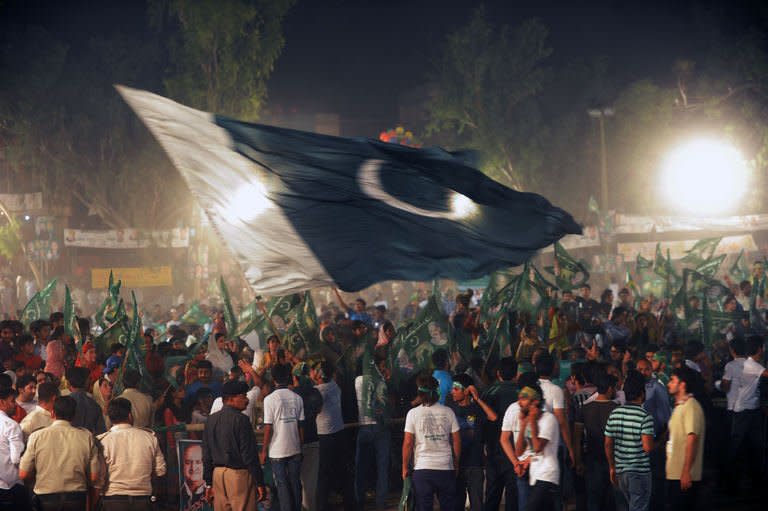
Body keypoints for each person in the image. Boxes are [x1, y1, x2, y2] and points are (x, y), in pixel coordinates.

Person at [20, 395, 101, 511]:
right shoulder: (86, 436)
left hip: (45, 498)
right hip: (76, 498)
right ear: (74, 415)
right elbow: (94, 477)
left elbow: (23, 474)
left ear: (52, 413)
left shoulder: (36, 436)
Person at [203, 380, 266, 511]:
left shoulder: (211, 420)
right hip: (239, 477)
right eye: (243, 396)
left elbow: (206, 455)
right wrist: (259, 482)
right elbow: (249, 455)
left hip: (218, 476)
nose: (247, 400)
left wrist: (209, 483)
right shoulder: (241, 420)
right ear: (231, 399)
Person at [402, 373, 460, 511]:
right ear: (437, 392)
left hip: (422, 470)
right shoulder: (448, 412)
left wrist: (404, 466)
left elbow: (408, 442)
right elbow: (456, 440)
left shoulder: (413, 414)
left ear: (419, 393)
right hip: (445, 468)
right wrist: (456, 463)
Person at [96, 397, 167, 511]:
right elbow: (161, 471)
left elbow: (99, 478)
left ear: (110, 418)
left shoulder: (102, 441)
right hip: (143, 500)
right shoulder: (149, 437)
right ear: (130, 415)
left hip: (112, 500)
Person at [604, 370, 655, 511]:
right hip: (639, 472)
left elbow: (608, 444)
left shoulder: (614, 413)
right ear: (642, 394)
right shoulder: (645, 417)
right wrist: (661, 440)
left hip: (621, 472)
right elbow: (648, 447)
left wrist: (612, 467)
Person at [449, 373, 497, 511]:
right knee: (456, 505)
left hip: (475, 464)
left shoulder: (477, 409)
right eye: (452, 388)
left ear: (466, 391)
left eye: (456, 389)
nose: (452, 392)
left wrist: (477, 398)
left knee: (477, 506)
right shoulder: (450, 410)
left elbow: (493, 417)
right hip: (456, 464)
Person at [261, 364, 304, 511]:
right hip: (295, 448)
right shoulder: (297, 398)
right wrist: (300, 446)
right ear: (288, 377)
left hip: (277, 450)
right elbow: (300, 426)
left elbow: (268, 427)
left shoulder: (269, 400)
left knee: (282, 485)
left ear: (273, 379)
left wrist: (263, 451)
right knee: (295, 483)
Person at [575, 367, 617, 511]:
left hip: (591, 459)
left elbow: (577, 436)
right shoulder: (616, 408)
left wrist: (578, 460)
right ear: (610, 389)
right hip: (612, 459)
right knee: (611, 501)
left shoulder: (585, 408)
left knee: (593, 499)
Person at [354, 348, 391, 511]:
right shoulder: (380, 381)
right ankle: (381, 502)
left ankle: (358, 501)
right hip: (380, 428)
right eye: (382, 365)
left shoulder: (358, 381)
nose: (384, 368)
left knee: (361, 466)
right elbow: (384, 405)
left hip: (363, 427)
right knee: (382, 466)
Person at [513, 383, 561, 510]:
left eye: (523, 398)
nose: (519, 402)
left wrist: (532, 421)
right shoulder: (528, 420)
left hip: (547, 475)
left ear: (535, 401)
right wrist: (523, 425)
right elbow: (518, 452)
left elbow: (538, 447)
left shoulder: (549, 419)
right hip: (535, 475)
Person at [729, 335, 768, 488]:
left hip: (750, 410)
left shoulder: (750, 364)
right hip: (744, 412)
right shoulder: (752, 365)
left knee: (751, 446)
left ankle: (749, 480)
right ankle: (732, 482)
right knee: (738, 447)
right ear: (760, 349)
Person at [482, 357, 520, 511]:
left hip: (493, 451)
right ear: (516, 374)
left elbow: (483, 422)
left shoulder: (488, 393)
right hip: (515, 451)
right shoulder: (521, 393)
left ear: (498, 373)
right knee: (513, 497)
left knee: (492, 495)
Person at [665, 366, 705, 510]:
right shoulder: (680, 406)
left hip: (684, 475)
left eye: (672, 380)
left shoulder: (691, 407)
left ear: (682, 384)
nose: (669, 383)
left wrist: (686, 471)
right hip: (676, 473)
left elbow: (692, 438)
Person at [312, 360, 347, 511]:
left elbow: (316, 409)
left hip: (324, 436)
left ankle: (322, 506)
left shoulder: (318, 390)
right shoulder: (335, 387)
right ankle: (348, 503)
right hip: (339, 433)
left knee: (323, 473)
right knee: (341, 469)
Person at [291, 362, 323, 511]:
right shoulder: (316, 393)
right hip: (312, 439)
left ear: (295, 377)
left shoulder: (292, 395)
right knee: (310, 482)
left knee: (294, 481)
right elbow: (318, 410)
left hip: (294, 443)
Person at [0, 386, 31, 511]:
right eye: (12, 401)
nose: (16, 405)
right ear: (2, 402)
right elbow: (16, 458)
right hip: (11, 486)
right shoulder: (11, 425)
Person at [66, 366, 106, 435]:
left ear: (69, 383)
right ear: (86, 382)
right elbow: (101, 433)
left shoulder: (63, 403)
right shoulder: (94, 405)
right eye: (89, 379)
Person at [180, 443, 206, 511]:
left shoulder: (214, 491)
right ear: (182, 465)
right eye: (188, 462)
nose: (193, 467)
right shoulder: (176, 492)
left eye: (198, 462)